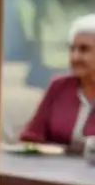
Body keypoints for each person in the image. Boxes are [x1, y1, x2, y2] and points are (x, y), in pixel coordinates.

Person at [20, 14, 95, 151]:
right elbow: (31, 135)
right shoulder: (59, 86)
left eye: (84, 50)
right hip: (51, 170)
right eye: (72, 49)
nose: (75, 57)